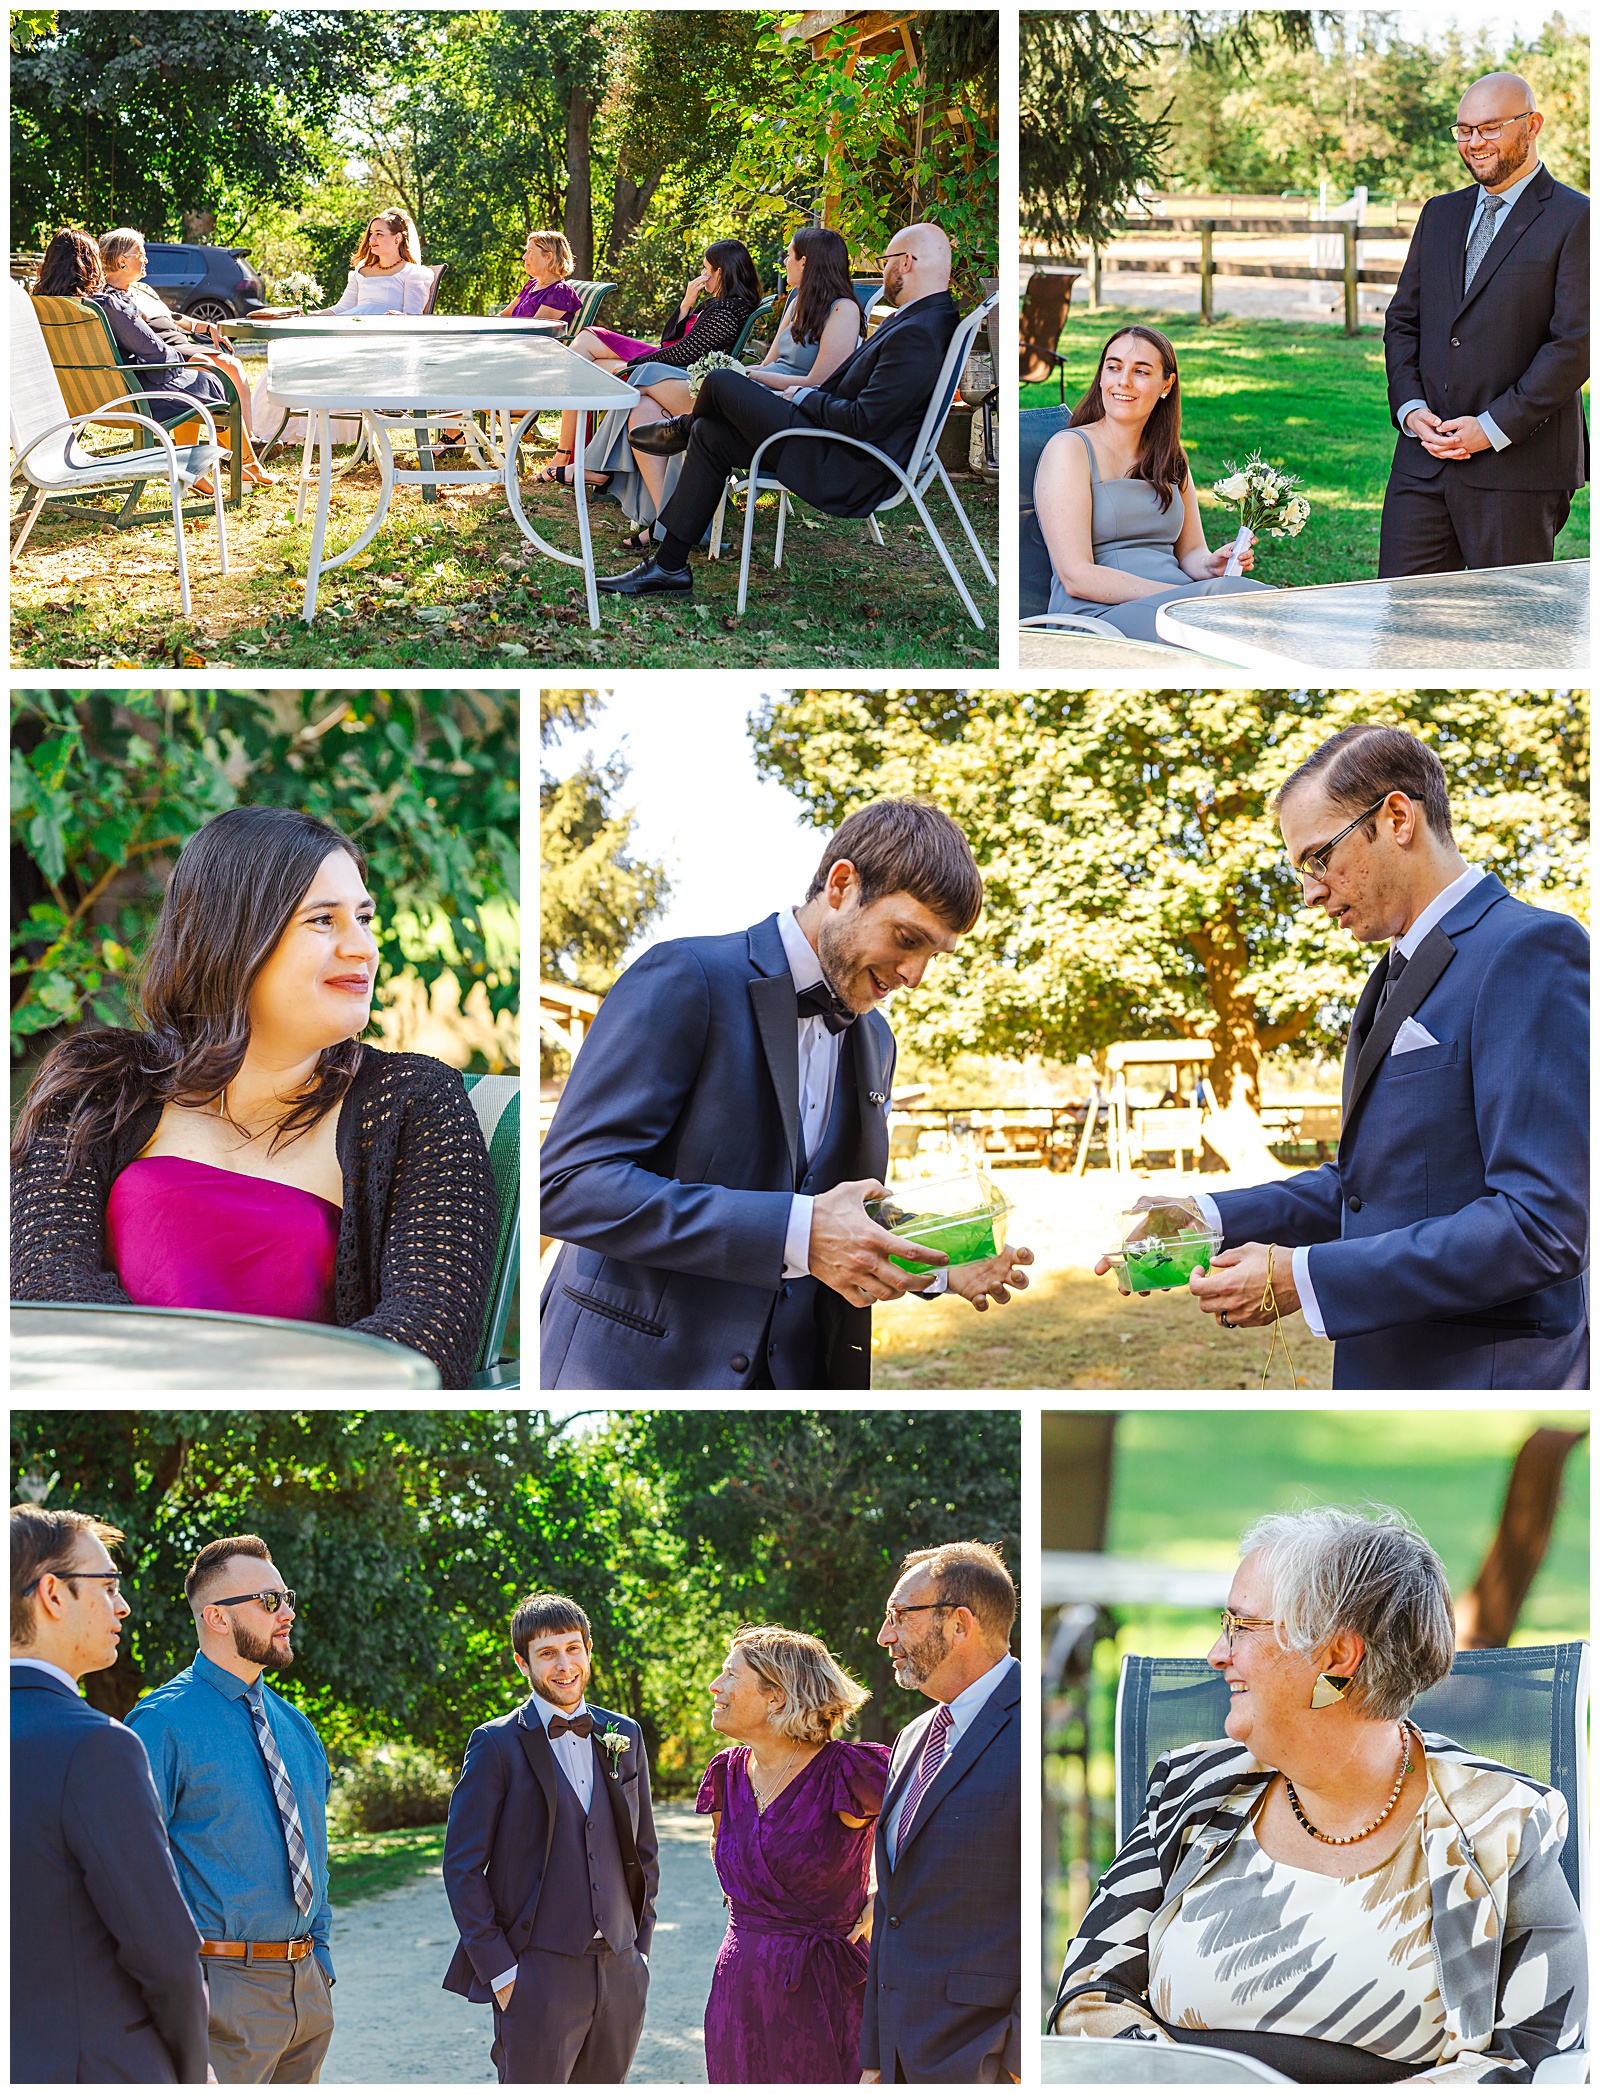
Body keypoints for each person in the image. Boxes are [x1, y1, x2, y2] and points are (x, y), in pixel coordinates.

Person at [1100, 724, 1589, 1388]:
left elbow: (1541, 1225)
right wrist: (1207, 1216)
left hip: (1484, 1381)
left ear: (1396, 818)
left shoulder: (1527, 951)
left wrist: (1303, 1275)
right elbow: (1369, 1189)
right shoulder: (1394, 969)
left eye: (1319, 858)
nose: (1310, 891)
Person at [1051, 1506, 1587, 2081]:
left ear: (1336, 1657)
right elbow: (1091, 1995)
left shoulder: (1499, 1824)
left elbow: (1538, 2055)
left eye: (1241, 1626)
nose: (1216, 1653)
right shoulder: (1191, 1792)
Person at [539, 798, 1035, 1390]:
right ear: (842, 885)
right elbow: (567, 1185)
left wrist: (939, 1268)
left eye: (933, 955)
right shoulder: (685, 976)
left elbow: (842, 1219)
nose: (914, 976)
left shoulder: (877, 1038)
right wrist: (794, 1230)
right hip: (638, 1375)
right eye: (907, 938)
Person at [10, 805, 495, 1389]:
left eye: (364, 919)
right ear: (234, 933)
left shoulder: (415, 1105)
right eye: (323, 921)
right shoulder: (97, 1086)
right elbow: (45, 1292)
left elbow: (426, 1341)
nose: (362, 948)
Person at [595, 221, 961, 601]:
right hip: (827, 441)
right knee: (711, 434)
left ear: (906, 262)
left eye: (886, 261)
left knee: (720, 382)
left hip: (846, 465)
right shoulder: (923, 319)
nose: (883, 270)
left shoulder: (919, 331)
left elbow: (863, 420)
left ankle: (682, 426)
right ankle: (669, 566)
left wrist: (800, 398)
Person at [11, 1504, 211, 2085]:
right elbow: (166, 1956)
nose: (122, 1605)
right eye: (107, 1585)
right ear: (53, 1594)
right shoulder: (95, 1748)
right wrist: (193, 2071)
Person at [128, 1535, 335, 2083]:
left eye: (286, 1597)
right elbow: (130, 1876)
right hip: (217, 1995)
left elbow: (316, 1850)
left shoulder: (297, 1728)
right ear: (218, 1618)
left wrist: (322, 1962)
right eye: (270, 1601)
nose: (288, 1612)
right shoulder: (159, 1725)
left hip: (306, 1994)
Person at [441, 1592, 659, 2084]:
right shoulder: (496, 1744)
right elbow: (462, 1868)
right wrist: (501, 1972)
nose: (564, 1665)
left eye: (572, 1648)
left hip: (621, 1969)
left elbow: (644, 1850)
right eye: (547, 1653)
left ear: (588, 1650)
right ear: (523, 1663)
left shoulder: (623, 1735)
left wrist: (640, 1950)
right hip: (537, 1973)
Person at [1380, 71, 1589, 577]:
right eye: (1464, 130)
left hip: (1518, 468)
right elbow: (1403, 322)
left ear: (1533, 124)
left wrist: (1491, 429)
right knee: (1402, 625)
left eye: (1490, 128)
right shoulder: (1440, 214)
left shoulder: (1578, 218)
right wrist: (1411, 409)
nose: (1475, 143)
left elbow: (1575, 345)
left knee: (1505, 636)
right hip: (1422, 461)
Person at [698, 1625, 890, 2083]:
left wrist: (885, 1890)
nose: (715, 1687)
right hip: (738, 1991)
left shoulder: (851, 1771)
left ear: (777, 1698)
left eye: (730, 1676)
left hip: (825, 1995)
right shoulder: (725, 1773)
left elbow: (933, 1826)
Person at [862, 1541, 1021, 2084]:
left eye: (899, 1617)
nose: (885, 1636)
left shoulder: (1032, 1728)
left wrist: (1019, 2065)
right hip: (902, 2056)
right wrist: (875, 2057)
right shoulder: (912, 1739)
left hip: (983, 2060)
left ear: (959, 1624)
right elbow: (895, 1909)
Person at [604, 226, 867, 554]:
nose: (783, 261)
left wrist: (746, 380)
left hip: (787, 407)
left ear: (806, 261)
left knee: (644, 377)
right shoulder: (798, 301)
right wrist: (739, 373)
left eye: (789, 254)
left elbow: (818, 383)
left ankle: (609, 463)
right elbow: (769, 363)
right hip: (758, 391)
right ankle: (664, 517)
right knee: (643, 405)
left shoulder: (844, 310)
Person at [1033, 323, 1271, 644]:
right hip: (1098, 616)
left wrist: (1210, 567)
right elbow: (1076, 576)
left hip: (1175, 602)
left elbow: (1191, 552)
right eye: (1114, 367)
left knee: (1265, 608)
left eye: (1141, 372)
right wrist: (1188, 596)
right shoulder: (1070, 449)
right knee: (1239, 609)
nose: (1123, 382)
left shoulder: (1172, 457)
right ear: (1101, 377)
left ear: (1166, 384)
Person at [541, 241, 762, 487]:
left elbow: (684, 354)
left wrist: (634, 363)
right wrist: (686, 303)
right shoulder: (718, 304)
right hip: (667, 363)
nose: (702, 275)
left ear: (719, 271)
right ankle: (580, 457)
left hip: (672, 372)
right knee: (590, 359)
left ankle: (577, 457)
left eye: (705, 268)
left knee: (591, 355)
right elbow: (669, 340)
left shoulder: (727, 310)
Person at [96, 228, 275, 490]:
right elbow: (143, 336)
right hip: (163, 351)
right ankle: (235, 458)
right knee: (211, 370)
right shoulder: (115, 299)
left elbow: (171, 317)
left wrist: (205, 327)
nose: (146, 260)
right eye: (141, 254)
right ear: (122, 260)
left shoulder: (141, 289)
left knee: (232, 365)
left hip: (177, 342)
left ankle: (244, 443)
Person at [33, 229, 230, 436]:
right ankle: (244, 463)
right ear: (91, 264)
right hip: (129, 400)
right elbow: (159, 355)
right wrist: (178, 361)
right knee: (209, 380)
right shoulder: (106, 305)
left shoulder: (41, 305)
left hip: (75, 397)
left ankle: (197, 458)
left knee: (197, 376)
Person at [322, 209, 433, 315]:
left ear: (397, 238)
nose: (371, 239)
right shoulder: (362, 269)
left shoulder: (413, 272)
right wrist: (313, 314)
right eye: (371, 233)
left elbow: (413, 315)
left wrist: (400, 316)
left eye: (379, 233)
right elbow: (342, 308)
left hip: (385, 330)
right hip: (355, 326)